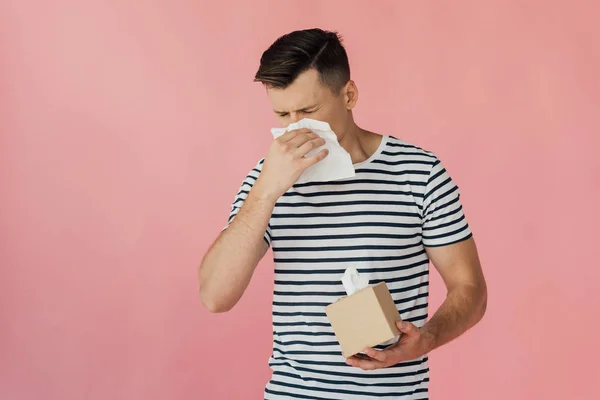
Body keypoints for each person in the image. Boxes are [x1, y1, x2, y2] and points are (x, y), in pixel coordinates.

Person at [199, 28, 487, 400]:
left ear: (348, 95)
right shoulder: (266, 179)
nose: (294, 127)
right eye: (283, 114)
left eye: (308, 111)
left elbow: (471, 290)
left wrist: (426, 338)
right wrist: (268, 189)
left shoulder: (420, 172)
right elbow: (215, 296)